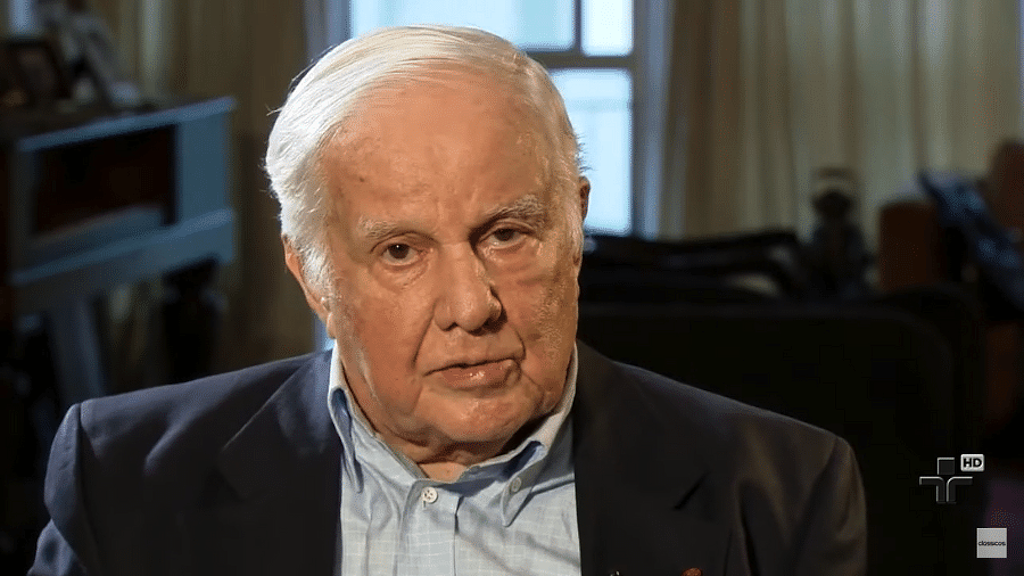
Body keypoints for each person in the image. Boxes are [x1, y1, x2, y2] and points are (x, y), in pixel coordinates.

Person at [29, 25, 866, 576]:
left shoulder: (781, 492)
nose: (472, 306)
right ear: (312, 275)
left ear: (573, 226)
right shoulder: (125, 479)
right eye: (401, 251)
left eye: (506, 234)